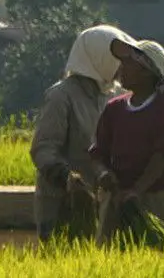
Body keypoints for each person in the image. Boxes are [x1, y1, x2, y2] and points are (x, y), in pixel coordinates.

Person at [29, 24, 129, 241]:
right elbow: (43, 149)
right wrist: (67, 178)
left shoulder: (115, 96)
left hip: (100, 199)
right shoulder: (61, 96)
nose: (120, 64)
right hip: (60, 202)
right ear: (97, 56)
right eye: (115, 56)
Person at [89, 37, 164, 245]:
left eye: (128, 64)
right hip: (116, 198)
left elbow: (163, 157)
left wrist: (136, 191)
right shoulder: (114, 109)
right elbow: (98, 152)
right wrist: (104, 174)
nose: (121, 68)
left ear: (146, 71)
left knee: (158, 255)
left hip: (154, 198)